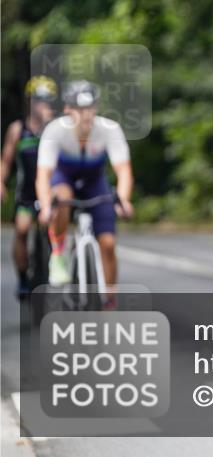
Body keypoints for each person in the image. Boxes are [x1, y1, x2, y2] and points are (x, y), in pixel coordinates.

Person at [35, 80, 133, 306]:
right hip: (64, 180)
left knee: (108, 244)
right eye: (79, 109)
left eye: (89, 108)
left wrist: (123, 200)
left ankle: (109, 303)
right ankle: (58, 253)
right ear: (68, 109)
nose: (85, 115)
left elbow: (124, 171)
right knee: (61, 195)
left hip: (95, 183)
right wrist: (46, 206)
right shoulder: (55, 131)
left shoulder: (109, 129)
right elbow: (43, 175)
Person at [0, 76, 58, 299]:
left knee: (53, 231)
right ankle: (23, 277)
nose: (44, 105)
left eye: (48, 100)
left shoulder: (56, 128)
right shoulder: (18, 130)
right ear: (30, 101)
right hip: (26, 192)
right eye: (39, 100)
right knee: (22, 230)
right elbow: (6, 160)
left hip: (50, 191)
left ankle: (52, 267)